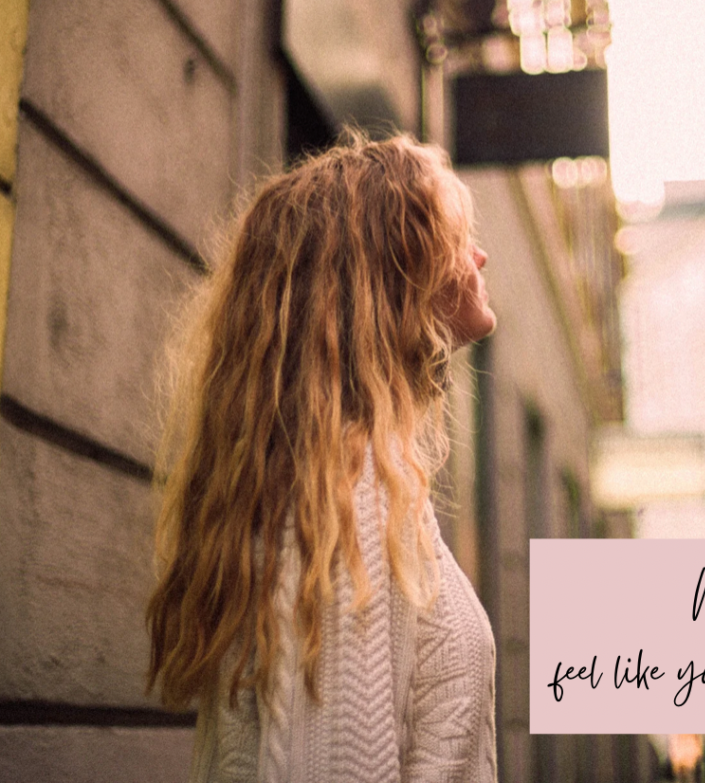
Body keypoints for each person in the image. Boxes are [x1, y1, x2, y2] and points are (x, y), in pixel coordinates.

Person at [146, 132, 499, 782]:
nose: (480, 256)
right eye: (455, 240)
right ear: (394, 276)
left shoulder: (347, 480)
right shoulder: (349, 493)